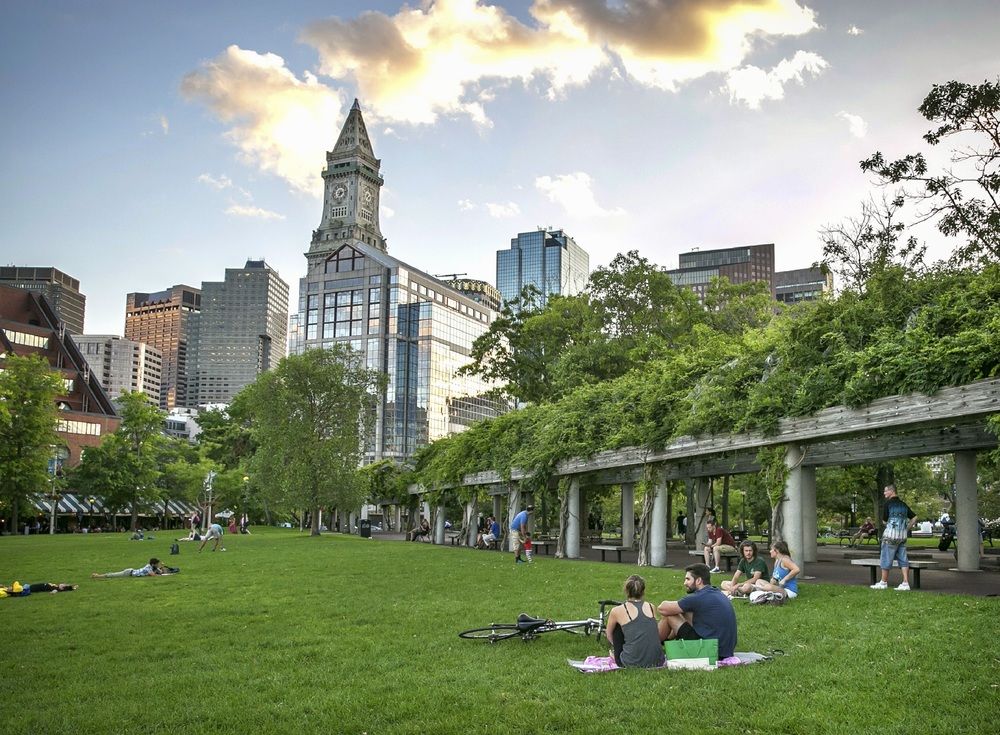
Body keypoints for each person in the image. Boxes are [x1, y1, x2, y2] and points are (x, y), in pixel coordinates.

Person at [657, 563, 737, 660]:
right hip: (724, 650)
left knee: (669, 615)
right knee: (684, 611)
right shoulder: (716, 592)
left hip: (710, 651)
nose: (684, 583)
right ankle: (666, 641)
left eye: (688, 579)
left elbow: (662, 608)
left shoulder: (698, 597)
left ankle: (653, 646)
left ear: (698, 580)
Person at [605, 575, 665, 668]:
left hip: (631, 662)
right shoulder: (651, 606)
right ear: (643, 591)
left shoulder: (617, 611)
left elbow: (609, 634)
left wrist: (617, 649)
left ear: (626, 590)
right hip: (657, 661)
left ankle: (618, 656)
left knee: (617, 628)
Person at [872, 484, 917, 591]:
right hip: (902, 536)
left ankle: (883, 582)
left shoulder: (888, 504)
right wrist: (906, 528)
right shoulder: (903, 505)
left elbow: (884, 521)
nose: (884, 493)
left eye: (885, 491)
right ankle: (905, 583)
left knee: (886, 557)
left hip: (890, 536)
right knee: (903, 558)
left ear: (891, 491)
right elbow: (914, 518)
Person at [91, 558, 170, 578]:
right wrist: (159, 572)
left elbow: (164, 573)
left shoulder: (153, 568)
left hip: (130, 572)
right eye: (157, 564)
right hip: (129, 572)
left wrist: (162, 567)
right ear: (153, 564)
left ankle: (98, 575)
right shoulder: (148, 567)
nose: (157, 565)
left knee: (114, 574)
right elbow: (153, 575)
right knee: (114, 575)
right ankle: (97, 576)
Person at [2, 582, 78, 595]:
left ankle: (6, 589)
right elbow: (70, 587)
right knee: (19, 587)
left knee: (19, 588)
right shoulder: (57, 586)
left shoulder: (57, 588)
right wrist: (74, 587)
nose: (62, 583)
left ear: (62, 588)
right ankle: (5, 588)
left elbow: (54, 591)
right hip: (31, 587)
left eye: (63, 585)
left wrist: (52, 593)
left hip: (30, 589)